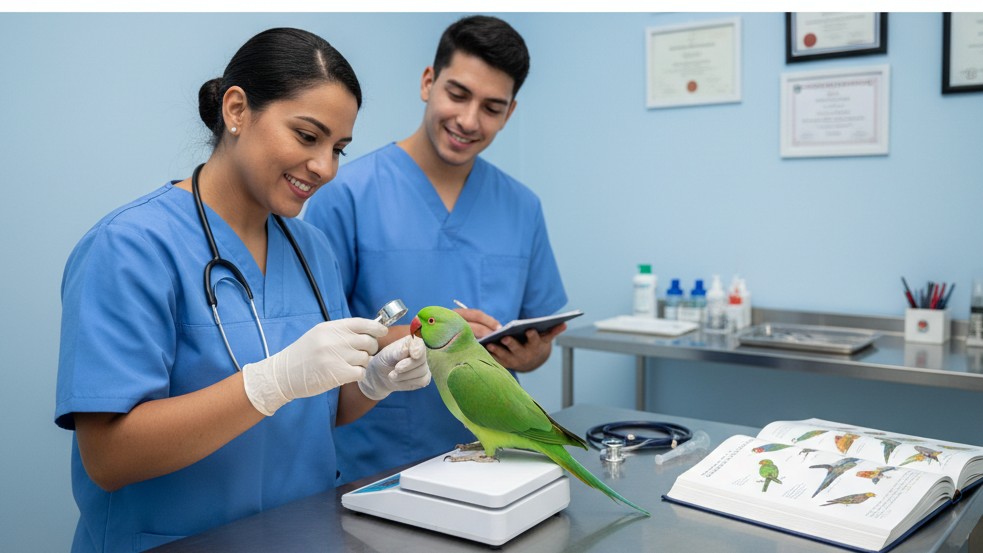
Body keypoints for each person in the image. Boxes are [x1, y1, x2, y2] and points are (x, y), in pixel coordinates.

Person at [54, 28, 431, 553]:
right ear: (236, 110)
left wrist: (371, 381)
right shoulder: (129, 248)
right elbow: (109, 458)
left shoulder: (312, 249)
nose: (325, 167)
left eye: (338, 148)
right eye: (307, 136)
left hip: (304, 537)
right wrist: (270, 382)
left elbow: (322, 410)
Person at [304, 15, 568, 485]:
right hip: (376, 467)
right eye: (458, 94)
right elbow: (313, 343)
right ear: (429, 82)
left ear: (509, 113)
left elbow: (538, 343)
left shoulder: (522, 207)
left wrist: (529, 358)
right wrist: (420, 343)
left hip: (495, 466)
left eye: (492, 107)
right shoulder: (343, 195)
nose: (469, 120)